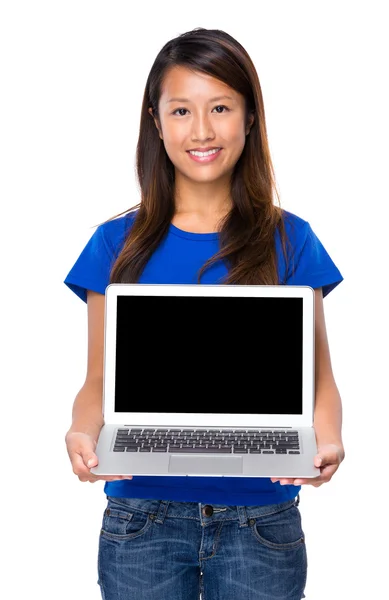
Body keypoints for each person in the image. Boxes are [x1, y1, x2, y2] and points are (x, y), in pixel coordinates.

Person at [64, 27, 345, 600]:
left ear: (248, 117)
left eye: (220, 107)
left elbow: (320, 382)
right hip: (141, 518)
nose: (202, 131)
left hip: (262, 520)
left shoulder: (290, 240)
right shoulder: (114, 244)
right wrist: (80, 432)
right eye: (181, 110)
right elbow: (98, 382)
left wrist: (328, 438)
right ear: (156, 120)